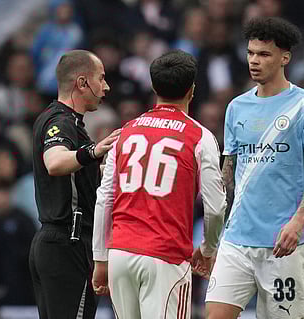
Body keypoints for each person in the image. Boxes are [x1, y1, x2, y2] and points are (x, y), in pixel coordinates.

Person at [205, 17, 304, 319]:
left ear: (284, 57)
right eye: (250, 53)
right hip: (237, 238)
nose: (254, 61)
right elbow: (229, 172)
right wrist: (214, 229)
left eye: (264, 54)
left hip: (284, 242)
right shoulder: (236, 107)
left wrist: (298, 221)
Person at [91, 49, 226, 319]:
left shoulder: (125, 132)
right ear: (192, 90)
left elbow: (104, 198)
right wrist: (208, 249)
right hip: (166, 256)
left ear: (153, 87)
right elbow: (216, 207)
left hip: (121, 253)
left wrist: (101, 258)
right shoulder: (200, 137)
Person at [28, 49, 120, 319]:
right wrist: (93, 151)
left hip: (55, 242)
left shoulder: (63, 121)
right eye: (101, 78)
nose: (106, 87)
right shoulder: (61, 122)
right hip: (67, 243)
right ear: (82, 83)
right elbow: (55, 162)